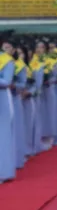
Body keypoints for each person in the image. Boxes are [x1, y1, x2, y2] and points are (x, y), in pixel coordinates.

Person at [0, 37, 16, 182]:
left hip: (2, 99)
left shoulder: (6, 60)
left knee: (2, 135)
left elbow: (7, 81)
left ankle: (3, 171)